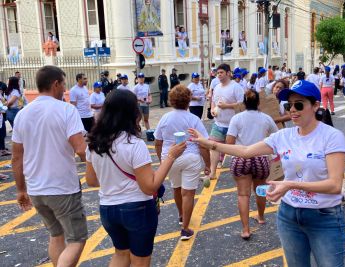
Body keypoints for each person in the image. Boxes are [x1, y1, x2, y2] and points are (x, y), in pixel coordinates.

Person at [189, 80, 345, 267]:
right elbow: (245, 151)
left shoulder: (331, 136)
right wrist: (209, 144)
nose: (293, 110)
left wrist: (290, 185)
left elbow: (335, 185)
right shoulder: (283, 136)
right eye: (289, 105)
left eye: (299, 105)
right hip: (289, 216)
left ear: (315, 106)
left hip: (324, 217)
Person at [85, 89, 186, 267]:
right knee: (140, 260)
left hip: (108, 208)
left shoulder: (94, 142)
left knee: (121, 254)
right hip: (137, 208)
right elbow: (150, 187)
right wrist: (171, 156)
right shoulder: (134, 143)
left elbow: (92, 180)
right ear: (132, 113)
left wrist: (114, 180)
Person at [12, 66, 88, 266]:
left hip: (37, 189)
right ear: (56, 84)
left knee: (56, 234)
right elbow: (81, 149)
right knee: (77, 239)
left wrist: (21, 190)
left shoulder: (22, 114)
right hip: (62, 188)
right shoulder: (66, 110)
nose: (64, 89)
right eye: (63, 84)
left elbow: (16, 158)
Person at [154, 85, 210, 240]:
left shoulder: (165, 118)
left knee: (176, 188)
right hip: (190, 157)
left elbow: (158, 142)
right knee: (188, 193)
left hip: (170, 158)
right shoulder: (194, 119)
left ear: (171, 100)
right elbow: (203, 144)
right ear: (188, 100)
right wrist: (208, 165)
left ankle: (180, 215)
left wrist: (162, 161)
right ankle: (185, 228)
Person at [227, 90, 278, 239]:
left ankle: (245, 229)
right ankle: (261, 217)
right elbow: (276, 137)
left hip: (241, 158)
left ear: (243, 103)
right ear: (258, 103)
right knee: (260, 190)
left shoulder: (236, 118)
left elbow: (229, 142)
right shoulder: (266, 118)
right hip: (260, 158)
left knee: (243, 194)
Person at [208, 63, 244, 180]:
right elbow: (214, 101)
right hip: (218, 123)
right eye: (217, 73)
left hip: (233, 125)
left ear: (228, 73)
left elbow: (242, 105)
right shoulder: (217, 87)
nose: (219, 75)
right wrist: (213, 109)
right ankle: (212, 172)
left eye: (221, 73)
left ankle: (240, 173)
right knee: (213, 146)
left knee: (236, 151)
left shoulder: (236, 87)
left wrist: (227, 106)